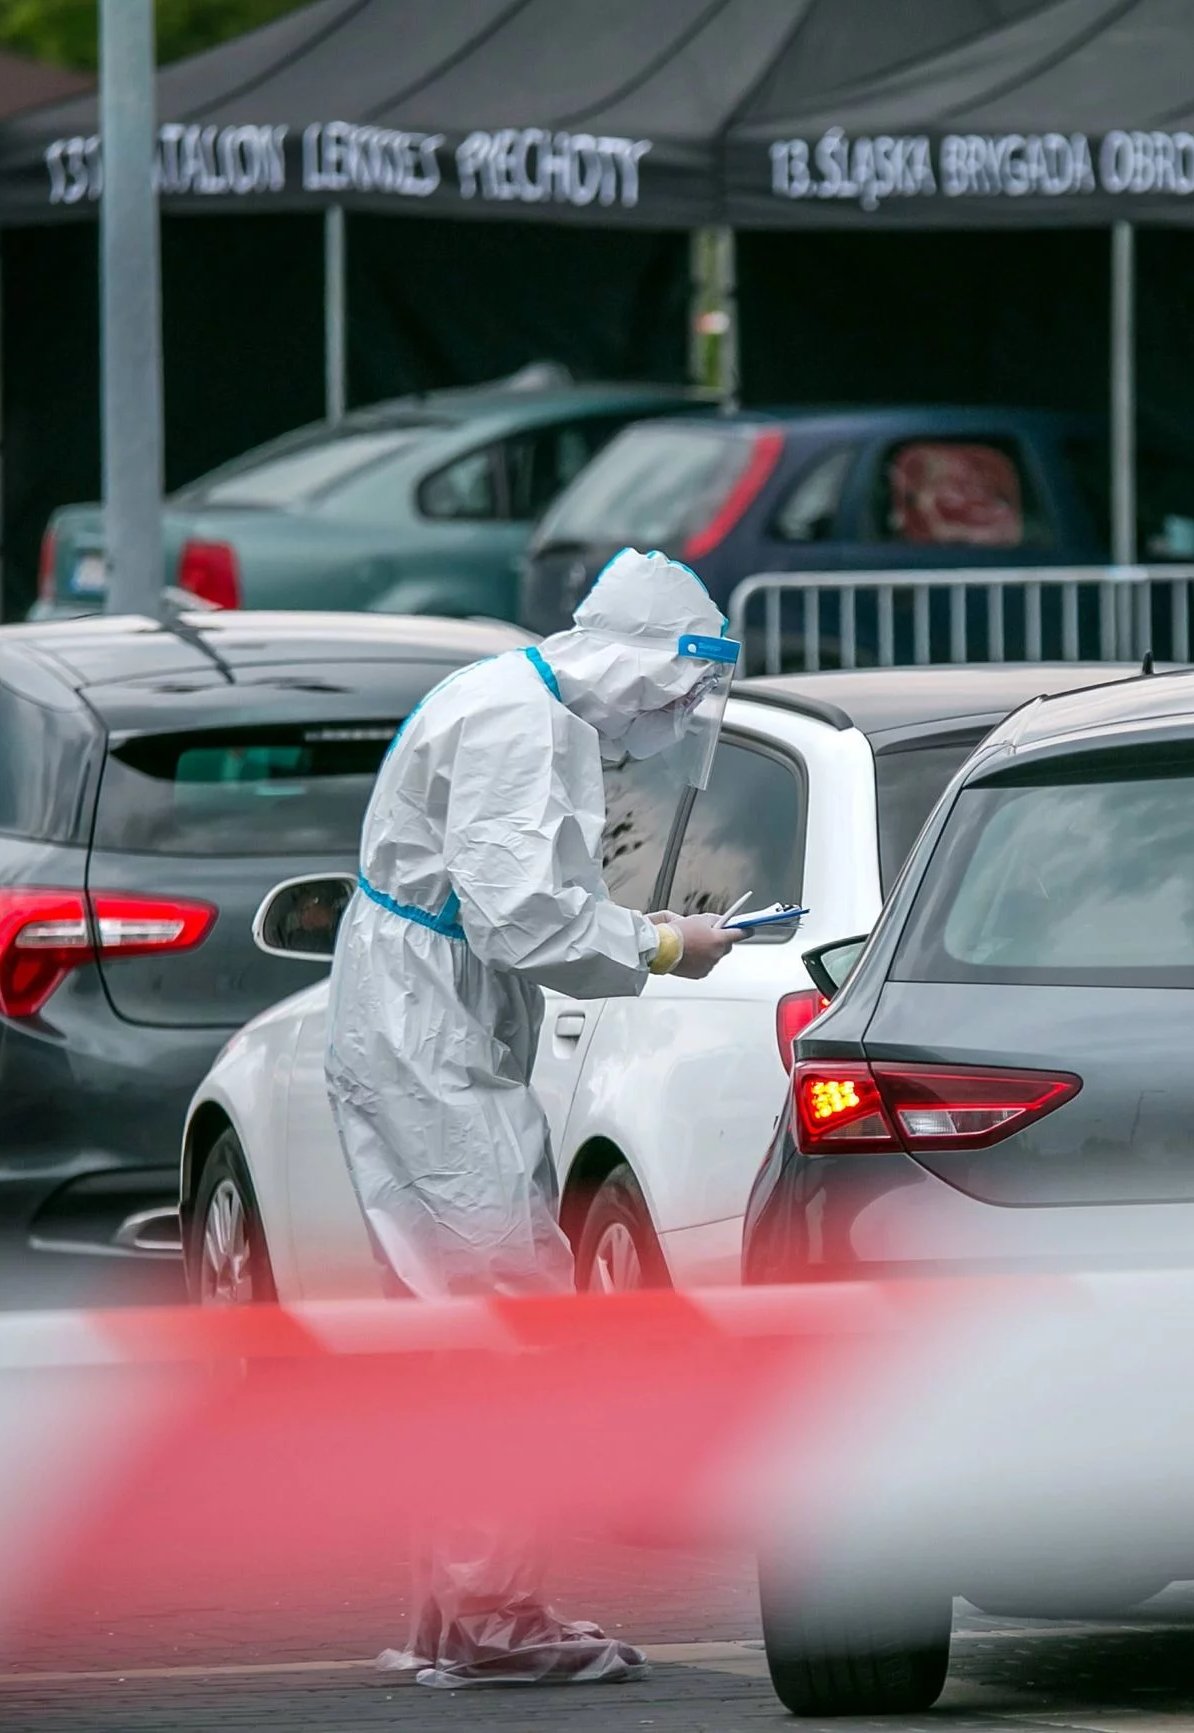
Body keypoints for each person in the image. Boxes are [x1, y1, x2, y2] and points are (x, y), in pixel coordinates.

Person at [325, 545, 743, 1687]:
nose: (671, 715)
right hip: (431, 1026)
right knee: (509, 1311)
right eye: (677, 688)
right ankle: (494, 1615)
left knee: (445, 1318)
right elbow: (525, 924)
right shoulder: (523, 723)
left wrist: (629, 925)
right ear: (640, 659)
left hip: (411, 1010)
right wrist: (667, 942)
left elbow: (515, 903)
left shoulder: (508, 694)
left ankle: (449, 1608)